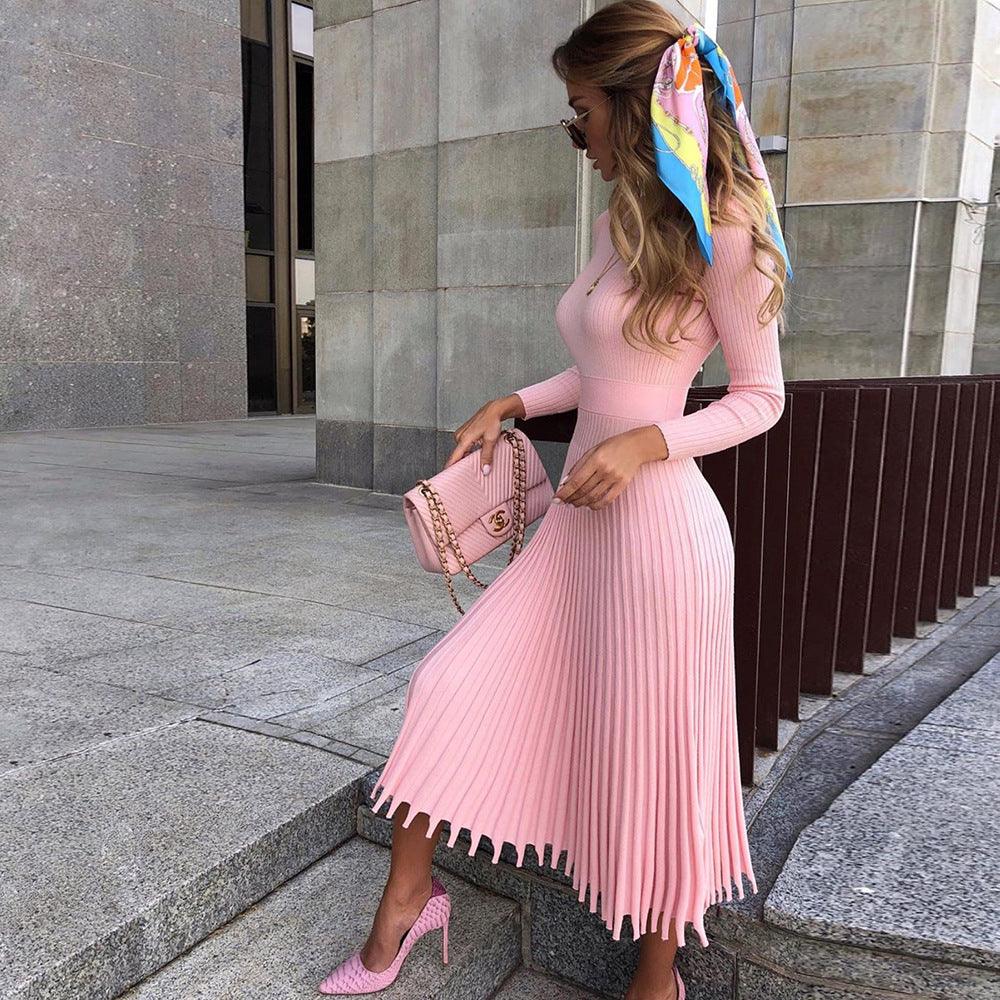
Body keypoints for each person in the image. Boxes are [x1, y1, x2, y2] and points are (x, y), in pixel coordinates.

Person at [318, 2, 791, 997]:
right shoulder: (622, 225)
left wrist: (649, 443)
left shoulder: (730, 236)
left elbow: (761, 398)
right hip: (576, 527)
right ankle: (410, 900)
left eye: (581, 114)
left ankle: (656, 973)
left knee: (655, 755)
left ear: (635, 108)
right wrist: (517, 402)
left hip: (661, 541)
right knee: (446, 685)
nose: (577, 135)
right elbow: (603, 367)